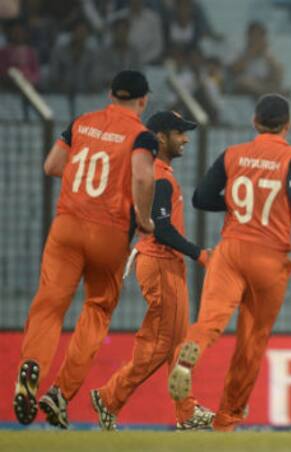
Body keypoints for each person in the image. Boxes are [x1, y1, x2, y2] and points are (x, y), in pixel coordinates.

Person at [167, 94, 291, 431]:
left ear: (254, 122)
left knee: (211, 319)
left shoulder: (232, 154)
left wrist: (234, 203)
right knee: (252, 341)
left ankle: (192, 347)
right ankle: (226, 420)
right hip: (269, 257)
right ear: (288, 125)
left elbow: (200, 198)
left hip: (229, 250)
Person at [13, 70, 156, 428]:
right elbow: (142, 176)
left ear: (110, 94)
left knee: (49, 303)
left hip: (68, 225)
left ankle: (31, 364)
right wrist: (145, 217)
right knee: (97, 308)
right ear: (144, 100)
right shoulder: (142, 135)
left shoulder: (82, 122)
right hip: (109, 232)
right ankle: (61, 391)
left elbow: (52, 166)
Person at [89, 111, 214, 431]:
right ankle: (109, 396)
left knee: (177, 344)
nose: (185, 138)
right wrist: (200, 254)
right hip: (160, 263)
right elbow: (160, 229)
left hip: (164, 263)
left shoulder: (159, 173)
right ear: (160, 137)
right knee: (161, 346)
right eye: (179, 133)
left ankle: (186, 413)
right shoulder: (159, 176)